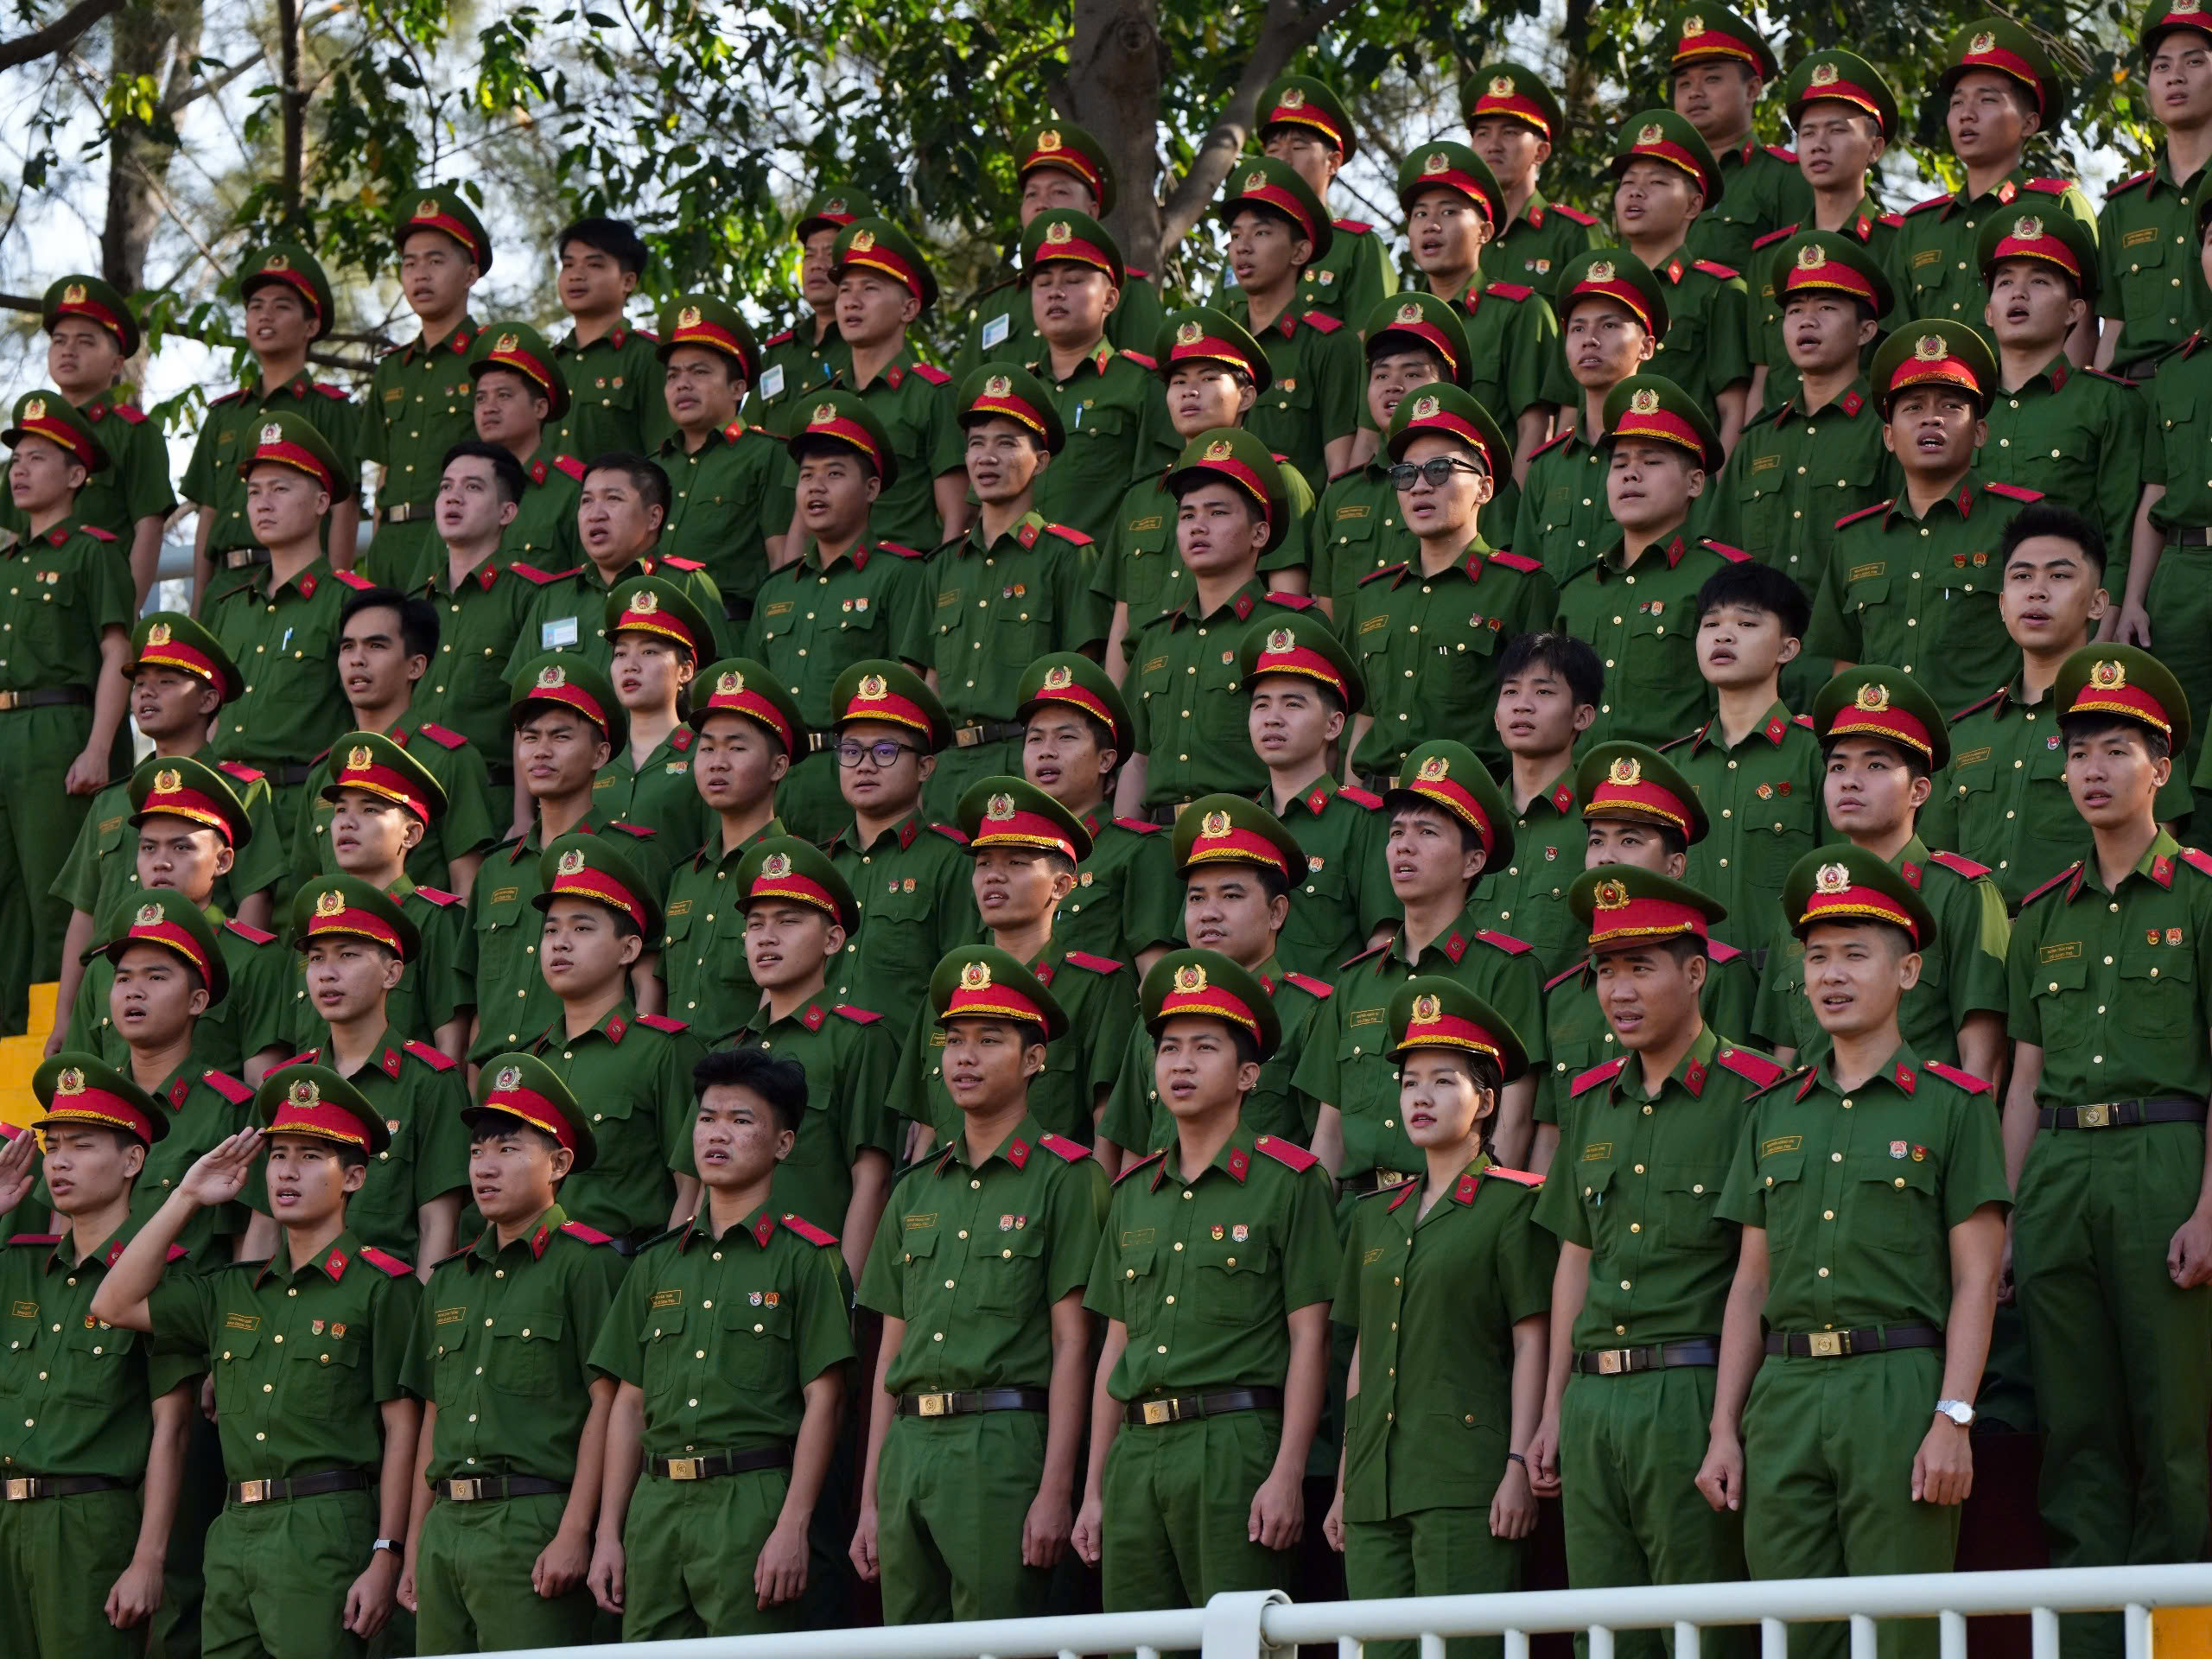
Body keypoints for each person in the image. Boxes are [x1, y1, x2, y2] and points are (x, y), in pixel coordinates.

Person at [1700, 847, 2008, 1659]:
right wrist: (1725, 1429)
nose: (1832, 976)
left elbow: (1977, 1281)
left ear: (1908, 972)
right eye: (1818, 957)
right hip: (1787, 1393)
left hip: (1897, 1388)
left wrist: (1954, 1418)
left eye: (1856, 955)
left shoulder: (1953, 1107)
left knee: (1901, 1635)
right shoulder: (1771, 1111)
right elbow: (1748, 1287)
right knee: (1796, 1634)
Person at [2000, 644, 2212, 1659]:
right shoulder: (2042, 913)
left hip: (2164, 1164)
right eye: (2078, 750)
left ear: (2160, 768)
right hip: (2058, 1175)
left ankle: (2176, 1647)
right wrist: (2002, 1216)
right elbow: (2024, 1080)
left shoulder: (2202, 896)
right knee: (2075, 1436)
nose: (2091, 769)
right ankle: (2087, 1644)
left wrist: (2210, 1208)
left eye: (2116, 749)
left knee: (2173, 1436)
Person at [1524, 866, 1783, 1659]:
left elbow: (1757, 1274)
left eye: (1642, 967)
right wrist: (1550, 1409)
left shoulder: (1757, 1094)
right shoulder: (1591, 1099)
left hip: (1691, 1387)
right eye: (1606, 970)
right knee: (1605, 1636)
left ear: (1696, 971)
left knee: (1701, 1635)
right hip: (1596, 1403)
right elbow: (1575, 1261)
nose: (1618, 991)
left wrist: (1724, 1424)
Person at [92, 1068, 424, 1659]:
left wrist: (386, 1550)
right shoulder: (231, 1290)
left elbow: (404, 1428)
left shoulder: (381, 1288)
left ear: (353, 1177)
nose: (287, 1171)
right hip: (234, 1527)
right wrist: (186, 1196)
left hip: (325, 1525)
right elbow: (112, 1302)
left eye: (310, 1155)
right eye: (278, 1156)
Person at [1071, 949, 1339, 1612]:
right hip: (1135, 1451)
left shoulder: (1291, 1182)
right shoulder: (1132, 1193)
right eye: (1168, 1049)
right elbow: (1115, 1347)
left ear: (1249, 1074)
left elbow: (1311, 1339)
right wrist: (1095, 1490)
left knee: (1242, 1643)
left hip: (1234, 1447)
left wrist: (1286, 1474)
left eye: (1204, 1048)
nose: (1181, 1064)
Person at [849, 946, 1109, 1622]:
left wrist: (1058, 1488)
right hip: (909, 1446)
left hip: (1002, 1441)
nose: (964, 1058)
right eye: (955, 1041)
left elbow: (1073, 1344)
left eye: (989, 1040)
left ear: (1032, 1061)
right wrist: (872, 1498)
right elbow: (889, 1354)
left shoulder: (1066, 1176)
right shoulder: (913, 1190)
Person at [585, 1048, 854, 1640]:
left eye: (741, 1120)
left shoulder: (807, 1260)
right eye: (707, 1118)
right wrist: (609, 1532)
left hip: (749, 1501)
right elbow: (628, 1403)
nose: (717, 1134)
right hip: (654, 1505)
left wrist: (793, 1526)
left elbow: (825, 1402)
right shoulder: (656, 1262)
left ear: (782, 1145)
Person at [1325, 982, 1553, 1659]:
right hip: (1374, 1483)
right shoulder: (1374, 1215)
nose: (1419, 1097)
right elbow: (1365, 1351)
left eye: (1442, 1081)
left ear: (1486, 1101)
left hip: (1465, 1479)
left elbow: (1531, 1337)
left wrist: (1517, 1463)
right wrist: (1344, 1484)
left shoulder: (1513, 1205)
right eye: (1409, 1082)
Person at [397, 1055, 627, 1655]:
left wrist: (577, 1531)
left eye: (507, 1150)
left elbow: (608, 1405)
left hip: (532, 1520)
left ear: (558, 1164)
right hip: (447, 1524)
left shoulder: (587, 1264)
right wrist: (414, 1542)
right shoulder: (447, 1281)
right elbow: (432, 1416)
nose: (485, 1167)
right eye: (477, 1153)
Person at [0, 1057, 198, 1659]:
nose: (58, 1162)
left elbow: (174, 1428)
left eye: (81, 1146)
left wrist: (148, 1558)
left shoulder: (163, 1277)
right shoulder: (18, 1263)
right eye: (52, 1146)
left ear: (132, 1161)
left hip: (89, 1524)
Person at [1294, 739, 1548, 1175]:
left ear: (1473, 862)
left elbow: (1512, 1122)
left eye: (1427, 832)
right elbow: (1329, 1137)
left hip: (1455, 1215)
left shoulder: (1506, 972)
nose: (1403, 847)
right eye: (1396, 833)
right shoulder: (1354, 982)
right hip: (1357, 1219)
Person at [1925, 504, 2190, 905]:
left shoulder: (2136, 721)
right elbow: (1937, 864)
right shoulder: (1965, 733)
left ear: (2098, 604)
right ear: (2001, 604)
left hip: (2078, 946)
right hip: (1974, 952)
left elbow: (2157, 856)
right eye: (2022, 576)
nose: (2037, 590)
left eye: (2060, 575)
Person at [1752, 670, 2011, 1081]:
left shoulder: (1960, 895)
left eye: (1875, 765)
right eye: (1838, 767)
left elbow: (1984, 1059)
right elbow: (1784, 1060)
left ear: (1919, 791)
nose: (1850, 781)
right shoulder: (1803, 903)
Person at [48, 612, 285, 1048]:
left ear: (209, 699)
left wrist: (228, 1000)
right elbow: (84, 917)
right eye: (139, 684)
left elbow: (255, 899)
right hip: (109, 1001)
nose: (146, 692)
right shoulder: (111, 800)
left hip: (192, 1003)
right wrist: (64, 1017)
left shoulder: (241, 791)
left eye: (168, 681)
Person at [1530, 743, 1765, 1169]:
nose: (1606, 856)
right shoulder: (1563, 993)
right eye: (1596, 839)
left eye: (1630, 840)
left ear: (1675, 867)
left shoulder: (1718, 974)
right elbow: (1552, 1136)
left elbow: (1739, 1109)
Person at [1806, 319, 2045, 718]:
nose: (1931, 419)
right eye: (1913, 407)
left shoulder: (2021, 525)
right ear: (1888, 436)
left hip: (1981, 756)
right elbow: (1845, 666)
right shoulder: (1855, 539)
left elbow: (2048, 649)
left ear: (1981, 432)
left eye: (1951, 407)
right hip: (1884, 754)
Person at [893, 778, 1137, 1158]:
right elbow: (930, 1126)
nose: (993, 875)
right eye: (984, 862)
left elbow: (1107, 1126)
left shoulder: (1098, 987)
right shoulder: (950, 988)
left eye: (1017, 862)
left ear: (1061, 886)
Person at [1095, 792, 1337, 1160]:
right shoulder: (1159, 1016)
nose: (1209, 914)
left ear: (1276, 912)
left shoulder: (1310, 1013)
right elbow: (1132, 1154)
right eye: (1196, 898)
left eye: (1230, 896)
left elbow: (1327, 1148)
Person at [0, 390, 135, 1034]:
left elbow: (118, 652)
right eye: (16, 458)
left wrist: (100, 746)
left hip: (59, 730)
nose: (20, 469)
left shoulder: (91, 550)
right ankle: (9, 1062)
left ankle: (66, 1051)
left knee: (58, 903)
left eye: (38, 458)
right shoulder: (6, 563)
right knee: (5, 908)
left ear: (77, 475)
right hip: (4, 729)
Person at [741, 391, 933, 842]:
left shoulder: (901, 575)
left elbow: (911, 689)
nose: (816, 487)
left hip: (853, 776)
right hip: (776, 782)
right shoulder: (775, 590)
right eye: (807, 475)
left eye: (834, 473)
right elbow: (753, 702)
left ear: (871, 488)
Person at [921, 362, 1111, 813]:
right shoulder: (942, 567)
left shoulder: (1066, 556)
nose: (987, 458)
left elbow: (1081, 683)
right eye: (976, 445)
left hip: (1026, 767)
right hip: (947, 773)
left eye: (1007, 444)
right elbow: (929, 684)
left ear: (1041, 461)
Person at [1343, 384, 1556, 780]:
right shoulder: (1374, 594)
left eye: (1439, 470)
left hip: (1474, 804)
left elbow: (1542, 718)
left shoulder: (1520, 587)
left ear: (1485, 488)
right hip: (1381, 808)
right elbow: (1366, 722)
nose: (1420, 486)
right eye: (1405, 475)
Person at [40, 895, 261, 1262]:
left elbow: (242, 1250)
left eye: (156, 977)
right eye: (123, 978)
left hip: (174, 1311)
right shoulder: (84, 1101)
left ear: (197, 1001)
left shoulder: (231, 1111)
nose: (134, 990)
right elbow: (62, 1235)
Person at [467, 657, 661, 1066]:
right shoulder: (496, 869)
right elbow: (478, 1003)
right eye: (530, 736)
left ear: (600, 753)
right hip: (496, 1086)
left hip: (588, 1070)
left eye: (560, 737)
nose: (541, 751)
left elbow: (649, 980)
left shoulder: (629, 853)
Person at [726, 835, 900, 1284]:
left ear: (833, 939)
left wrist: (846, 1293)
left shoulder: (859, 1040)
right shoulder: (727, 1052)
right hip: (725, 1279)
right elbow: (695, 1192)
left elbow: (872, 1180)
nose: (767, 937)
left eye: (788, 922)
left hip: (808, 1283)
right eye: (756, 924)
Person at [1116, 427, 1317, 816]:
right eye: (1187, 515)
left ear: (1260, 533)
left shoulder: (1288, 631)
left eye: (1218, 512)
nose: (1198, 526)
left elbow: (1315, 754)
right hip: (1161, 844)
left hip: (1250, 838)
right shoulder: (1157, 638)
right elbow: (1137, 762)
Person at [204, 411, 376, 863]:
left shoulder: (351, 604)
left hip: (301, 808)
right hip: (225, 811)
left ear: (322, 503)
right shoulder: (230, 608)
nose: (263, 504)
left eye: (280, 489)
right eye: (254, 492)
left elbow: (370, 719)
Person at [1099, 307, 1313, 662]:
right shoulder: (1141, 497)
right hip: (1149, 686)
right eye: (1179, 382)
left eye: (1208, 378)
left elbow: (1287, 610)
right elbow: (1123, 625)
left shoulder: (1278, 481)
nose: (1190, 392)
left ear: (1245, 396)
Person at [278, 874, 470, 1267]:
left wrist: (415, 1326)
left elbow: (439, 1225)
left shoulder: (430, 1082)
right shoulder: (288, 1086)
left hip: (388, 1306)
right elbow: (264, 1229)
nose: (327, 973)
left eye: (347, 955)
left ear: (392, 974)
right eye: (316, 959)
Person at [67, 757, 293, 1084]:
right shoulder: (105, 965)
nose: (161, 863)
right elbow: (82, 1088)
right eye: (148, 848)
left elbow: (261, 1093)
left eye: (181, 848)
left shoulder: (255, 960)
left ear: (223, 861)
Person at [527, 831, 705, 1247]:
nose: (561, 943)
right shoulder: (531, 1062)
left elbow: (693, 1188)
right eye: (551, 931)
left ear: (629, 950)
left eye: (582, 928)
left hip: (622, 1270)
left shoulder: (664, 1051)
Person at [1555, 372, 1751, 747]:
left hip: (1676, 792)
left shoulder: (1724, 579)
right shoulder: (1577, 590)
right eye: (1620, 463)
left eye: (1652, 461)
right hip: (1585, 795)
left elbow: (1735, 720)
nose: (1631, 473)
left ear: (1695, 483)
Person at [1716, 232, 1900, 614]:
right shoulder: (1757, 440)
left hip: (1852, 652)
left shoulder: (1888, 428)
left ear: (1866, 331)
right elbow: (1721, 556)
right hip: (1762, 656)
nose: (1807, 321)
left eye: (1827, 308)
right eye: (1795, 310)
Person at [1974, 204, 2148, 603]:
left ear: (2075, 310)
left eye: (2039, 281)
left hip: (2064, 617)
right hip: (1967, 621)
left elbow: (2121, 535)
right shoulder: (1961, 407)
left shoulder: (2109, 403)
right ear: (1988, 312)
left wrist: (2110, 622)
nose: (2018, 293)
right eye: (2004, 283)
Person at [1887, 20, 2096, 346]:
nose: (1966, 114)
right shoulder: (1918, 227)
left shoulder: (2056, 206)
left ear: (2029, 123)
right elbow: (1894, 340)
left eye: (1987, 100)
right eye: (1957, 102)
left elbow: (2081, 327)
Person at [292, 587, 499, 900]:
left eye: (376, 645)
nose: (357, 660)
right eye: (348, 647)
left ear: (415, 666)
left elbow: (466, 889)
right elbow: (310, 888)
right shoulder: (326, 769)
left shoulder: (449, 759)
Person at [288, 734, 475, 1060]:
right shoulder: (315, 926)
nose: (346, 821)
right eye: (341, 809)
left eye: (369, 809)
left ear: (411, 834)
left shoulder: (433, 918)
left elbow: (450, 1046)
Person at [186, 243, 359, 595]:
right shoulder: (224, 415)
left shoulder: (329, 408)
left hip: (300, 586)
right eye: (255, 307)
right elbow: (209, 513)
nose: (265, 316)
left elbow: (344, 507)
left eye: (281, 307)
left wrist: (338, 598)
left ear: (311, 326)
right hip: (224, 588)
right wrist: (198, 602)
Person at [1744, 52, 1904, 419]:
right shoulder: (1770, 256)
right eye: (1808, 133)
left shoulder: (1901, 243)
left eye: (1837, 130)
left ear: (1875, 148)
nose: (1819, 144)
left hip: (1866, 445)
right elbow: (1762, 378)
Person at [821, 660, 978, 1032]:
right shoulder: (821, 865)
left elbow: (963, 987)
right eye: (851, 750)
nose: (864, 765)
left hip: (902, 1069)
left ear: (925, 768)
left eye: (886, 751)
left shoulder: (951, 860)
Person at [0, 276, 173, 602]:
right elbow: (15, 536)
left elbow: (148, 530)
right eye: (59, 341)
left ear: (117, 363)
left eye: (85, 341)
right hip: (29, 612)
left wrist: (122, 619)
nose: (68, 351)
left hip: (95, 610)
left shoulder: (135, 433)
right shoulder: (30, 437)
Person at [659, 658, 805, 1043]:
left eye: (736, 748)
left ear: (778, 766)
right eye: (706, 749)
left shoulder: (799, 874)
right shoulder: (684, 878)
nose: (717, 763)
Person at [950, 122, 1166, 384]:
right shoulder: (997, 304)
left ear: (1092, 210)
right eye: (1032, 194)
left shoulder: (1128, 290)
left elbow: (1149, 389)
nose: (1042, 204)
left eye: (1059, 191)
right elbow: (961, 401)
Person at [1397, 142, 1560, 481]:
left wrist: (1518, 516)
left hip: (1489, 514)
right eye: (1420, 214)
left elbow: (1534, 428)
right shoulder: (1394, 327)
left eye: (1449, 211)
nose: (1431, 225)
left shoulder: (1520, 312)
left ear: (1484, 231)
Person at [1669, 562, 1825, 916]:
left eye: (1746, 624)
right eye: (1711, 624)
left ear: (1787, 649)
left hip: (1785, 969)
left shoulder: (1822, 754)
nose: (1723, 636)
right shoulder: (1673, 767)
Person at [1241, 613, 1389, 979]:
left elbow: (1382, 945)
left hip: (1324, 1028)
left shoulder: (1363, 821)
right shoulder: (1238, 826)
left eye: (1293, 704)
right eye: (1261, 704)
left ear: (1334, 725)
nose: (1272, 718)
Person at [1311, 293, 1478, 616]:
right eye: (1381, 375)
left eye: (1412, 374)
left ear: (1447, 387)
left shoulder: (1470, 482)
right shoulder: (1340, 495)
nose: (1393, 386)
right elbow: (1327, 610)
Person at [804, 216, 965, 550]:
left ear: (908, 309)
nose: (851, 301)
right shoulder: (823, 405)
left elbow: (958, 515)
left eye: (870, 288)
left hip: (904, 580)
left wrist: (943, 592)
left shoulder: (932, 395)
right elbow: (799, 522)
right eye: (845, 290)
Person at [1017, 210, 1178, 541]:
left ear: (1110, 299)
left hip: (1099, 583)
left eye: (1074, 281)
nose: (1055, 293)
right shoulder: (1017, 395)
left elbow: (1159, 504)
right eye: (1043, 283)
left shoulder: (1143, 385)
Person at [1014, 651, 1179, 969]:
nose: (1046, 752)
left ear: (1106, 760)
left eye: (1065, 737)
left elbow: (1154, 979)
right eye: (1035, 739)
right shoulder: (1006, 856)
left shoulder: (1139, 851)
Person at [360, 188, 492, 588]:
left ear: (470, 273)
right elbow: (385, 474)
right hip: (391, 545)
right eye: (410, 263)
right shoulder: (392, 370)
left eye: (436, 261)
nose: (420, 274)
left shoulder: (490, 358)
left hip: (459, 539)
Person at [1599, 108, 1751, 452]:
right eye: (1628, 183)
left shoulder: (1718, 291)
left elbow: (1733, 410)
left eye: (1656, 182)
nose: (1636, 193)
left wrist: (1713, 494)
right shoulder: (1594, 290)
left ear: (1693, 205)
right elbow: (1569, 411)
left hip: (1679, 479)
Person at [507, 451, 728, 683]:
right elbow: (524, 692)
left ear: (653, 517)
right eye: (586, 501)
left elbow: (712, 689)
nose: (595, 514)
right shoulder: (553, 597)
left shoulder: (686, 584)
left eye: (613, 499)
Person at [1514, 251, 1669, 582]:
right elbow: (1527, 584)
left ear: (1647, 346)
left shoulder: (1673, 457)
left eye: (1609, 325)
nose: (1590, 340)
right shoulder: (1545, 466)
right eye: (1578, 328)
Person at [2126, 191, 2212, 779]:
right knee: (2177, 752)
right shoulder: (2177, 370)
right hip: (2181, 578)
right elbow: (2155, 495)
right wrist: (2135, 598)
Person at [1215, 156, 1363, 492]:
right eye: (1236, 235)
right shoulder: (1220, 349)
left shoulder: (1330, 344)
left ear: (1300, 253)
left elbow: (1338, 472)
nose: (1243, 247)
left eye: (1262, 232)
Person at [408, 441, 555, 763]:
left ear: (507, 511)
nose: (453, 496)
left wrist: (522, 813)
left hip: (493, 795)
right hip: (411, 795)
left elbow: (538, 711)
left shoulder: (533, 596)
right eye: (446, 486)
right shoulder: (415, 604)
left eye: (473, 487)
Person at [1468, 631, 1604, 976]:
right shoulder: (1468, 819)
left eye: (1543, 692)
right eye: (1510, 691)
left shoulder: (1602, 818)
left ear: (1582, 716)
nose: (1522, 704)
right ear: (1496, 716)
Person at [2094, 6, 2212, 378]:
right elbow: (2113, 329)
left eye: (2194, 62)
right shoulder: (2122, 209)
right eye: (2161, 67)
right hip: (2136, 405)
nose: (2175, 77)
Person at [652, 294, 785, 618]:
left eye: (699, 372)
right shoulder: (652, 468)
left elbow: (782, 563)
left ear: (738, 388)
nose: (682, 385)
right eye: (673, 376)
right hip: (653, 636)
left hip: (731, 635)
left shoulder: (768, 454)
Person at [1243, 73, 1396, 327]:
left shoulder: (1356, 248)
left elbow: (1372, 352)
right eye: (1273, 149)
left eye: (1299, 147)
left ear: (1333, 162)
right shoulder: (1243, 250)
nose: (1283, 159)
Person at [1666, 4, 1810, 273]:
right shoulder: (1657, 182)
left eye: (1712, 78)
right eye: (1684, 83)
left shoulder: (1786, 177)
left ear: (1753, 89)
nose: (1694, 93)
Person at [594, 575, 714, 853]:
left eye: (649, 652)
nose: (630, 666)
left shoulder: (707, 752)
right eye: (621, 654)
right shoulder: (597, 756)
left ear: (685, 671)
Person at [1465, 63, 1605, 300]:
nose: (1493, 146)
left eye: (1509, 133)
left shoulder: (1572, 235)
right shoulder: (1460, 235)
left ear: (1541, 152)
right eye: (1483, 133)